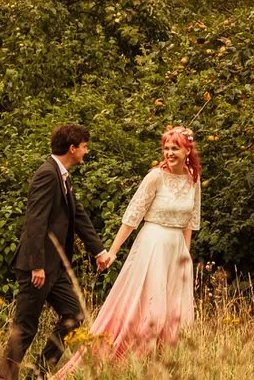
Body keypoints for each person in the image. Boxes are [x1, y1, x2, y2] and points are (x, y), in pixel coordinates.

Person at [51, 126, 202, 375]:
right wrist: (112, 251)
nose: (169, 153)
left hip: (176, 251)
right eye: (166, 148)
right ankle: (131, 363)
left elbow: (190, 222)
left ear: (188, 150)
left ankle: (162, 367)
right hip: (153, 246)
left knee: (174, 313)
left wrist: (186, 254)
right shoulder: (155, 177)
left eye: (175, 148)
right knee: (153, 310)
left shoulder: (192, 179)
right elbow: (132, 216)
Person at [0, 124, 113, 379]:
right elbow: (35, 221)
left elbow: (78, 216)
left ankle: (38, 373)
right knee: (25, 328)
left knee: (74, 314)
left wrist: (99, 251)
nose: (86, 151)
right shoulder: (47, 174)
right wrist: (36, 265)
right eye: (84, 147)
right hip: (37, 268)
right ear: (72, 148)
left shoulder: (62, 176)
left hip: (55, 268)